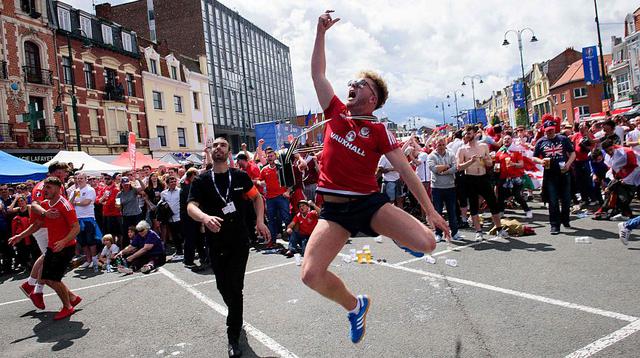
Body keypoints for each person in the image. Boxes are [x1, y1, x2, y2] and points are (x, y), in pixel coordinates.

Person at [303, 10, 449, 345]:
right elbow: (317, 73)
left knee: (427, 244)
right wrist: (320, 33)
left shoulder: (379, 130)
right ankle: (356, 307)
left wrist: (430, 210)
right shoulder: (336, 113)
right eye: (352, 83)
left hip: (368, 204)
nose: (351, 86)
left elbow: (406, 170)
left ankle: (398, 233)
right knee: (310, 275)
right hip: (335, 212)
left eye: (360, 84)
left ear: (373, 99)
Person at [187, 137, 270, 357]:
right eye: (215, 145)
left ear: (229, 151)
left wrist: (260, 221)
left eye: (222, 145)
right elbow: (191, 207)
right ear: (211, 152)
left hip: (239, 241)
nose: (218, 148)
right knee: (223, 287)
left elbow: (257, 198)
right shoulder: (202, 180)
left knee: (235, 288)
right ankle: (235, 313)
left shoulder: (240, 176)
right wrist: (205, 218)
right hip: (215, 242)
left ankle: (233, 335)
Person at [9, 177, 82, 320]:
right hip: (52, 247)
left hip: (65, 247)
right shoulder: (46, 204)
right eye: (45, 187)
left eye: (48, 187)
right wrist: (20, 236)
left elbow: (76, 228)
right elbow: (36, 225)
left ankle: (68, 307)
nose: (45, 190)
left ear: (58, 189)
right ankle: (72, 299)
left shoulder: (65, 205)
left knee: (53, 279)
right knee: (47, 278)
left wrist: (63, 241)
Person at [456, 125, 508, 241]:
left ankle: (499, 229)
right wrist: (471, 161)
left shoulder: (483, 146)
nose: (467, 135)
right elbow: (459, 167)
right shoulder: (462, 149)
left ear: (474, 134)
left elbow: (489, 163)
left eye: (469, 133)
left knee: (492, 203)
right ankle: (478, 231)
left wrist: (484, 159)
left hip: (483, 177)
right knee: (474, 206)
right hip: (470, 178)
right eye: (465, 134)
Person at [533, 119, 576, 234]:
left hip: (564, 172)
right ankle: (554, 225)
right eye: (547, 131)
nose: (549, 133)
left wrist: (568, 164)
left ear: (555, 129)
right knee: (553, 200)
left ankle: (565, 219)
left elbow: (573, 153)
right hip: (550, 174)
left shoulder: (563, 139)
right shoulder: (541, 141)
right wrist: (541, 161)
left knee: (566, 199)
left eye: (551, 130)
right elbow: (534, 157)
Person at [428, 137, 459, 242]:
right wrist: (447, 166)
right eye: (439, 145)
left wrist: (444, 170)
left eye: (442, 145)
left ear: (445, 145)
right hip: (437, 188)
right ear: (435, 145)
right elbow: (434, 169)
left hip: (450, 187)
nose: (441, 147)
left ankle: (455, 233)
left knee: (452, 211)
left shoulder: (451, 154)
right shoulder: (431, 156)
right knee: (438, 212)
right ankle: (438, 233)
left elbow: (455, 168)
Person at [494, 135, 532, 218]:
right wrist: (496, 169)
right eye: (505, 139)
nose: (506, 140)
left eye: (508, 139)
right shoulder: (499, 152)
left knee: (517, 195)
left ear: (512, 141)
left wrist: (513, 164)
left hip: (516, 177)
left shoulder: (516, 151)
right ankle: (501, 211)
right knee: (501, 196)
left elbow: (521, 164)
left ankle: (527, 210)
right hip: (504, 177)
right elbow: (497, 164)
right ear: (502, 141)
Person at [69, 172, 101, 269]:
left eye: (81, 178)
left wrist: (76, 203)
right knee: (82, 241)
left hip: (88, 218)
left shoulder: (90, 189)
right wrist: (74, 197)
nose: (79, 180)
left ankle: (94, 260)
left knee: (91, 240)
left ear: (86, 179)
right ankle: (88, 260)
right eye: (78, 178)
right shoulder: (75, 191)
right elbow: (70, 204)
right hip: (77, 218)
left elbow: (86, 202)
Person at [258, 147, 291, 241]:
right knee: (271, 220)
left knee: (286, 218)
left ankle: (292, 239)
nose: (269, 158)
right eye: (268, 156)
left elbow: (290, 180)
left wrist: (288, 191)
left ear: (275, 156)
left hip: (282, 197)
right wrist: (260, 183)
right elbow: (259, 180)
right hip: (270, 198)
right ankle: (272, 241)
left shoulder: (281, 167)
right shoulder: (264, 169)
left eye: (271, 156)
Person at [180, 168, 207, 271]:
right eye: (195, 175)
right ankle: (188, 260)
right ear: (190, 176)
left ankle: (203, 257)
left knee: (200, 237)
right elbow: (191, 203)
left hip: (196, 216)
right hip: (188, 217)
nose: (197, 177)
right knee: (190, 239)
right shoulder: (186, 188)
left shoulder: (193, 186)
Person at [160, 176, 183, 261]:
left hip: (180, 217)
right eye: (171, 182)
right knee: (174, 236)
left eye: (174, 181)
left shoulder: (180, 191)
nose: (173, 183)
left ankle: (185, 250)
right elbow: (161, 203)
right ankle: (179, 251)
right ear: (167, 184)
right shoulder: (164, 193)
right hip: (170, 218)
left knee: (182, 235)